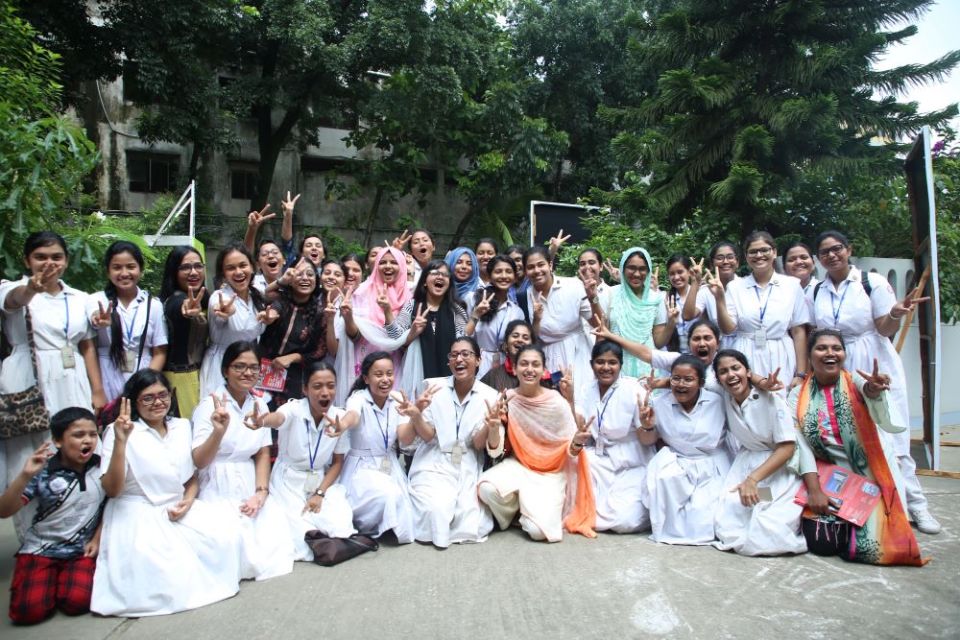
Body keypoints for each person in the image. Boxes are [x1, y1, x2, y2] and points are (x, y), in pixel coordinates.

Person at [809, 230, 939, 534]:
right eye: (825, 252)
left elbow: (884, 327)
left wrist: (895, 313)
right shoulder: (816, 291)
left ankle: (916, 506)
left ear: (848, 249)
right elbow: (815, 332)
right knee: (849, 439)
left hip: (873, 361)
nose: (831, 255)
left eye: (836, 249)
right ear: (819, 258)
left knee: (893, 436)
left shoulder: (871, 283)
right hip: (837, 365)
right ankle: (868, 507)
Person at [92, 370, 241, 616]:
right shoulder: (118, 431)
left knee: (226, 537)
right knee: (165, 572)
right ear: (133, 402)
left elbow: (192, 477)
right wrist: (120, 442)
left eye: (163, 395)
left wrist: (188, 500)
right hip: (136, 510)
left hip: (177, 505)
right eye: (148, 398)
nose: (158, 402)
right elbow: (113, 490)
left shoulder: (181, 426)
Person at [790, 330, 926, 565]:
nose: (830, 353)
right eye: (821, 348)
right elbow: (799, 444)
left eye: (836, 348)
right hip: (830, 476)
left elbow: (877, 404)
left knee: (878, 543)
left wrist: (874, 391)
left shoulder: (857, 381)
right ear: (810, 356)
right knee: (822, 543)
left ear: (844, 353)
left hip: (872, 473)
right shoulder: (797, 394)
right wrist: (814, 490)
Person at [0, 232, 105, 520]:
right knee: (30, 450)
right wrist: (32, 288)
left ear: (66, 261)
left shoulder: (80, 298)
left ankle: (75, 521)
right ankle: (31, 529)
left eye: (56, 257)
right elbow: (13, 301)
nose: (49, 263)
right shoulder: (14, 288)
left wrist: (97, 390)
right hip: (28, 379)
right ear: (27, 260)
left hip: (72, 375)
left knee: (76, 441)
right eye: (41, 257)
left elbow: (86, 345)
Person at [191, 341, 295, 581]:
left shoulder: (259, 404)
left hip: (249, 478)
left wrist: (260, 493)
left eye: (253, 367)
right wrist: (218, 431)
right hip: (217, 480)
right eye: (239, 367)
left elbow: (262, 452)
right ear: (225, 370)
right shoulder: (210, 405)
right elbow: (199, 460)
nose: (247, 373)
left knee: (274, 532)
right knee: (231, 537)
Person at [477, 345, 596, 542]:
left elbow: (570, 453)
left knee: (537, 531)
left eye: (535, 364)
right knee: (485, 488)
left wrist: (575, 443)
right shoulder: (507, 398)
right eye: (524, 364)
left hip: (551, 473)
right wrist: (492, 427)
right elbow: (495, 450)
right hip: (519, 466)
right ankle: (512, 512)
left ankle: (528, 512)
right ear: (514, 369)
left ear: (543, 370)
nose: (529, 369)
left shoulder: (556, 402)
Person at [0, 408, 104, 624]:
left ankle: (58, 583)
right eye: (78, 435)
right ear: (58, 441)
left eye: (93, 434)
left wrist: (96, 539)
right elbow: (5, 511)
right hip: (41, 549)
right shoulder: (43, 471)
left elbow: (113, 506)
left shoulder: (102, 467)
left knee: (78, 602)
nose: (87, 441)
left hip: (79, 551)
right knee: (28, 612)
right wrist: (25, 475)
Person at [244, 362, 356, 561]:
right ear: (305, 389)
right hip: (289, 480)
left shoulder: (338, 416)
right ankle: (317, 540)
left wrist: (320, 493)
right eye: (317, 386)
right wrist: (262, 421)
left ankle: (324, 541)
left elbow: (338, 462)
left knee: (340, 521)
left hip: (320, 480)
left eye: (331, 386)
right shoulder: (294, 409)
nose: (325, 393)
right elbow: (278, 418)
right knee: (296, 526)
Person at [712, 350, 806, 556]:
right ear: (718, 379)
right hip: (746, 462)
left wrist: (753, 480)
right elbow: (690, 375)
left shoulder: (772, 399)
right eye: (724, 371)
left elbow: (787, 448)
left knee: (766, 527)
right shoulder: (724, 396)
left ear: (748, 371)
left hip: (777, 468)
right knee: (731, 513)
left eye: (736, 368)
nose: (731, 375)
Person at [406, 337, 499, 547]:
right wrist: (416, 415)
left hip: (466, 462)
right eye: (454, 355)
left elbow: (477, 444)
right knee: (436, 509)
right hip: (434, 459)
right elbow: (428, 435)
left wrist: (490, 425)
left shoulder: (490, 396)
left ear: (478, 360)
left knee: (471, 521)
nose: (459, 359)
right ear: (448, 361)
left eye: (466, 354)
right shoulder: (433, 387)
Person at [326, 352, 417, 543]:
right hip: (362, 467)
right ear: (366, 378)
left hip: (388, 464)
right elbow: (353, 415)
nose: (385, 379)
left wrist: (416, 415)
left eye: (389, 373)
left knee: (405, 503)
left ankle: (385, 526)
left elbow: (405, 438)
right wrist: (341, 425)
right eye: (379, 374)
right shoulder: (358, 398)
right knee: (387, 495)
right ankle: (370, 527)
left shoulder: (397, 398)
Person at [639, 355, 730, 545]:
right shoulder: (659, 403)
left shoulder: (718, 401)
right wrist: (647, 426)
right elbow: (647, 440)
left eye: (688, 379)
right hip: (677, 464)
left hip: (711, 466)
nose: (681, 384)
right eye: (676, 378)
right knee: (665, 489)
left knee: (705, 525)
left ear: (701, 382)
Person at [569, 341, 654, 533]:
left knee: (625, 521)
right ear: (592, 365)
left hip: (631, 463)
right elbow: (579, 426)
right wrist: (568, 399)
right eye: (600, 362)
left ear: (621, 365)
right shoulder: (586, 389)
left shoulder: (634, 389)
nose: (606, 367)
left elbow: (647, 439)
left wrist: (647, 427)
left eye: (612, 362)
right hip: (599, 459)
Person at [713, 231, 811, 385]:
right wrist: (719, 298)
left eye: (764, 250)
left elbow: (798, 332)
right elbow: (728, 329)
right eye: (753, 252)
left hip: (781, 352)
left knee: (781, 400)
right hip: (746, 351)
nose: (759, 255)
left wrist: (800, 373)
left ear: (774, 252)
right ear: (746, 257)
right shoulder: (735, 287)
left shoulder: (791, 285)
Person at [87, 241, 167, 402]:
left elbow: (160, 352)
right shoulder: (96, 300)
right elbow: (94, 319)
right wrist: (98, 319)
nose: (124, 273)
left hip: (142, 375)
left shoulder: (153, 305)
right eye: (117, 267)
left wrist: (144, 385)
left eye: (130, 266)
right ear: (108, 271)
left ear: (141, 269)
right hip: (106, 375)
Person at [335, 247, 414, 404]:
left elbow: (399, 338)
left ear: (402, 266)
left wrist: (387, 311)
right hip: (361, 361)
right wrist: (349, 317)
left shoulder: (410, 297)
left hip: (394, 366)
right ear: (375, 265)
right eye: (382, 262)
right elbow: (354, 336)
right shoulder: (361, 292)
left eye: (394, 262)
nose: (388, 266)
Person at [199, 243, 272, 397]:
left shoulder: (257, 294)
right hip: (222, 366)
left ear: (252, 267)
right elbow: (221, 310)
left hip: (250, 365)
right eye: (231, 268)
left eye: (243, 265)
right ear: (223, 274)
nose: (238, 272)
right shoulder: (220, 297)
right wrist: (225, 312)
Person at [522, 245, 599, 383]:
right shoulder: (524, 296)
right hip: (548, 358)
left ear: (550, 264)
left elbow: (598, 324)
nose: (537, 270)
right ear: (525, 271)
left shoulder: (573, 285)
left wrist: (593, 298)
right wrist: (537, 320)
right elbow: (532, 338)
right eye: (531, 267)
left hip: (578, 353)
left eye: (541, 265)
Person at [387, 259, 468, 379]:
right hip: (416, 373)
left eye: (445, 275)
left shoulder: (457, 311)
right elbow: (394, 337)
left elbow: (463, 343)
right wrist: (386, 310)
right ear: (424, 281)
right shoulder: (412, 306)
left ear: (449, 283)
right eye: (435, 273)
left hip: (451, 376)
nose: (440, 277)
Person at [259, 258, 324, 402]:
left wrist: (292, 357)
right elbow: (267, 299)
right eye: (299, 274)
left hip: (294, 376)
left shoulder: (319, 313)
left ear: (317, 279)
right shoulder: (280, 299)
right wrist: (271, 316)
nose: (305, 278)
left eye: (310, 274)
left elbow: (318, 352)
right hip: (262, 369)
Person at [159, 246, 209, 419]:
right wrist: (185, 310)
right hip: (179, 379)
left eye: (198, 266)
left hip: (200, 375)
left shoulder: (205, 298)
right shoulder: (175, 300)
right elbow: (179, 308)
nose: (193, 272)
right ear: (174, 271)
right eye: (185, 267)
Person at [601, 247, 665, 377]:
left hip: (646, 364)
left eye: (642, 269)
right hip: (616, 364)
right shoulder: (610, 294)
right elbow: (603, 333)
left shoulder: (656, 299)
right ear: (623, 269)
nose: (637, 274)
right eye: (631, 268)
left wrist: (672, 322)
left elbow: (659, 341)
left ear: (648, 271)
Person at [466, 256, 524, 377]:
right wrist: (476, 314)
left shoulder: (516, 311)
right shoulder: (473, 299)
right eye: (498, 271)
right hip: (476, 364)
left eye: (508, 272)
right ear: (490, 276)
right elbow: (462, 336)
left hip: (505, 366)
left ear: (514, 277)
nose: (503, 276)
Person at [480, 319, 535, 393]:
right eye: (515, 336)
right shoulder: (493, 375)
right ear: (506, 343)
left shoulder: (540, 373)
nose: (520, 340)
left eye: (525, 338)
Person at [656, 255, 698, 352]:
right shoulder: (664, 299)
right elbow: (659, 340)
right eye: (672, 274)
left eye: (680, 272)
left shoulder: (700, 295)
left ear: (689, 272)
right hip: (672, 357)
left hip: (698, 356)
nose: (676, 277)